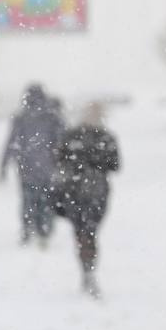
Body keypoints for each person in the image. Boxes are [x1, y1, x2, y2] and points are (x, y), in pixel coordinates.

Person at [51, 102, 121, 299]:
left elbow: (59, 159)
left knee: (82, 232)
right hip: (96, 192)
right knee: (89, 232)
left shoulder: (71, 136)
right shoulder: (106, 138)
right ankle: (88, 268)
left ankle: (86, 267)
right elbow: (115, 165)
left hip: (74, 192)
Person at [0, 83, 65, 247]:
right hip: (48, 167)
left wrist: (4, 164)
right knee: (47, 199)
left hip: (26, 167)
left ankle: (28, 228)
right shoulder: (53, 117)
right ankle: (45, 229)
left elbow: (12, 142)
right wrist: (62, 162)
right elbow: (61, 141)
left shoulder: (21, 117)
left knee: (28, 199)